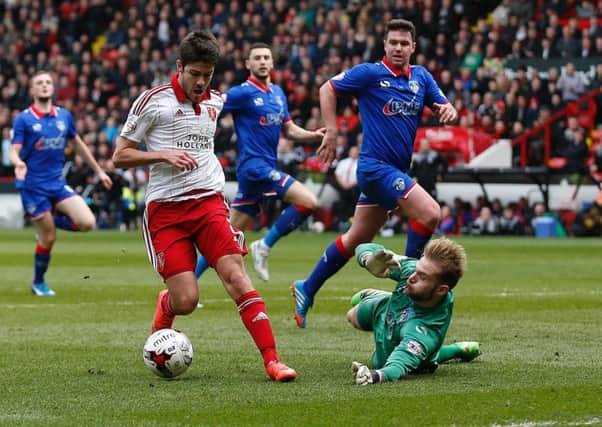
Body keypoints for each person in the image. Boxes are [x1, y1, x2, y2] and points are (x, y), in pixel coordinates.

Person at [112, 31, 296, 382]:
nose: (200, 82)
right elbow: (119, 156)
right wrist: (161, 153)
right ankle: (166, 305)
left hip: (209, 203)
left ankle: (273, 361)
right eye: (195, 74)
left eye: (207, 75)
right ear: (179, 67)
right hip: (166, 213)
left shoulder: (215, 102)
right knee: (186, 301)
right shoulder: (152, 101)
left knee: (236, 277)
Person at [292, 19, 458, 328]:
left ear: (413, 47)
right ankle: (407, 293)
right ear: (384, 45)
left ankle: (307, 287)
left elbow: (446, 107)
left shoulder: (421, 78)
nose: (398, 47)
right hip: (374, 168)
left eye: (403, 43)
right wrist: (331, 132)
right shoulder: (369, 73)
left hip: (394, 170)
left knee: (357, 237)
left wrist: (449, 111)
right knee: (430, 214)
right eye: (392, 42)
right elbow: (327, 88)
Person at [194, 42, 325, 282]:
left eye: (267, 57)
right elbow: (209, 106)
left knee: (225, 237)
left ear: (273, 62)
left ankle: (188, 281)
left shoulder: (277, 93)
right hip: (254, 167)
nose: (263, 61)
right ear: (248, 64)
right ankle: (264, 245)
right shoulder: (242, 93)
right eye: (257, 58)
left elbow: (290, 130)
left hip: (264, 169)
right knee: (309, 202)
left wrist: (313, 136)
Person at [9, 70, 113, 296]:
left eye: (48, 82)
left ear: (53, 88)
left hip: (57, 184)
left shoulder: (64, 116)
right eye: (39, 83)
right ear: (32, 90)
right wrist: (18, 163)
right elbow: (13, 151)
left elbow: (79, 145)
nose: (45, 85)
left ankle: (50, 219)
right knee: (49, 237)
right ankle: (38, 283)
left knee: (87, 223)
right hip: (33, 186)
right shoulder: (24, 119)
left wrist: (99, 171)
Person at [347, 238, 480, 385]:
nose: (411, 277)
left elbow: (395, 367)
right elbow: (363, 246)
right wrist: (367, 259)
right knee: (353, 312)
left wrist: (374, 375)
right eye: (417, 269)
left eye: (422, 276)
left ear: (441, 290)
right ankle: (383, 298)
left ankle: (456, 349)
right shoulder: (413, 270)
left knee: (389, 360)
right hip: (388, 310)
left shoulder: (424, 331)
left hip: (401, 339)